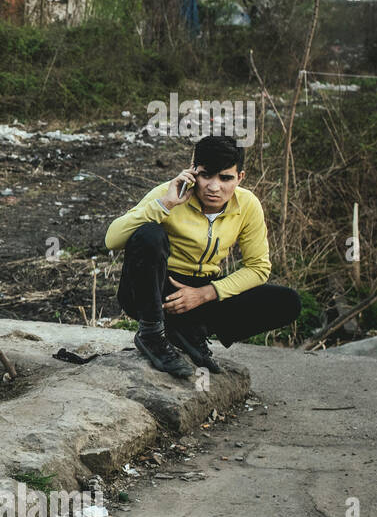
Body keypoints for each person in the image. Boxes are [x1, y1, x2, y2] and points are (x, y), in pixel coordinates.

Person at [104, 134, 301, 378]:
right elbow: (112, 240)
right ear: (193, 171)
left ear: (240, 177)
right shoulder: (169, 193)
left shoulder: (248, 205)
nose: (214, 186)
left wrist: (204, 294)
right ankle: (152, 334)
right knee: (148, 234)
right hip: (155, 290)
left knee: (287, 302)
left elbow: (258, 267)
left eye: (225, 178)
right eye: (206, 175)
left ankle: (191, 330)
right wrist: (165, 204)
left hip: (202, 293)